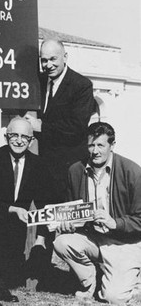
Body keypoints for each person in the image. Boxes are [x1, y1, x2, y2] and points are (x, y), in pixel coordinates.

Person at [53, 122, 141, 304]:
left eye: (100, 145)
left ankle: (130, 278)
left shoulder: (132, 171)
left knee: (114, 298)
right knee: (62, 242)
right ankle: (91, 282)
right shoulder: (76, 170)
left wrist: (115, 223)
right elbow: (73, 209)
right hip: (93, 238)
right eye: (91, 145)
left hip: (124, 242)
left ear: (112, 145)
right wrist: (68, 223)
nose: (95, 151)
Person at [0, 117, 54, 301]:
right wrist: (12, 209)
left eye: (24, 137)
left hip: (18, 228)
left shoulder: (39, 165)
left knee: (15, 277)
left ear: (31, 141)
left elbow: (44, 204)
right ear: (6, 136)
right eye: (14, 135)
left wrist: (41, 238)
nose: (19, 140)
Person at [25, 39, 95, 200]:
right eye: (44, 60)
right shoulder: (38, 82)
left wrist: (41, 127)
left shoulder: (82, 85)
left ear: (65, 57)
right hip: (43, 170)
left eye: (53, 59)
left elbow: (77, 126)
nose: (48, 65)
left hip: (69, 171)